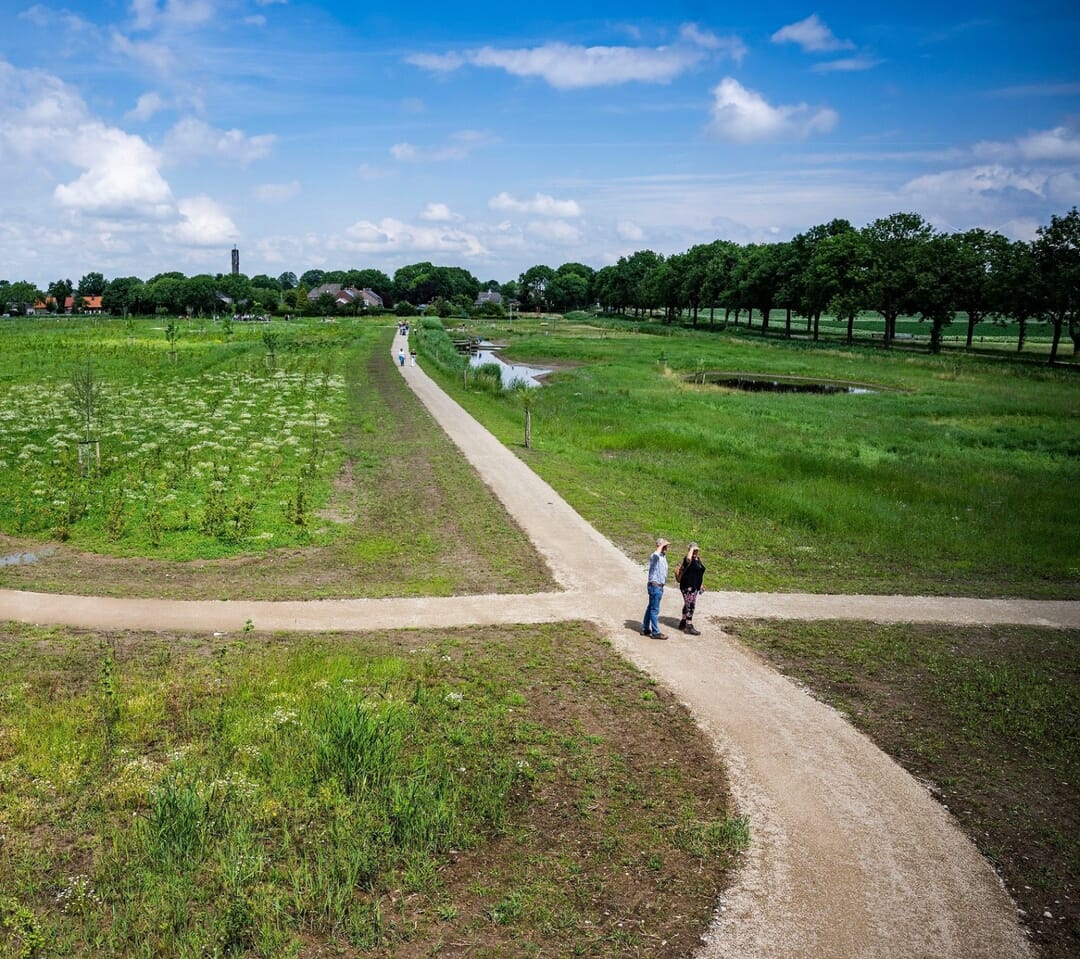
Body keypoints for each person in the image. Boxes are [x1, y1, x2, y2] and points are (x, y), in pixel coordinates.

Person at [642, 537, 669, 639]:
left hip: (657, 586)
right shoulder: (655, 556)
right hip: (655, 587)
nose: (667, 547)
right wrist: (661, 546)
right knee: (654, 610)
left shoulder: (662, 556)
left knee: (650, 608)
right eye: (665, 546)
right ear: (660, 546)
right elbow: (654, 555)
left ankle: (645, 628)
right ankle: (655, 632)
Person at [677, 543, 706, 635]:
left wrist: (700, 584)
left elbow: (700, 572)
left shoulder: (698, 559)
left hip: (695, 586)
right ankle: (689, 626)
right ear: (690, 550)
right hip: (687, 586)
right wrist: (691, 549)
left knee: (687, 604)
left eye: (697, 550)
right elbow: (688, 559)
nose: (695, 552)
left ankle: (683, 622)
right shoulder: (687, 559)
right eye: (694, 550)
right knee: (691, 605)